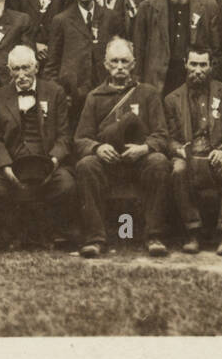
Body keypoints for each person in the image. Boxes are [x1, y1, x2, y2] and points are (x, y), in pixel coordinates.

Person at [73, 38, 171, 258]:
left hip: (139, 163)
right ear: (105, 65)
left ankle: (154, 236)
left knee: (160, 162)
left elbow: (162, 136)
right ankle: (95, 239)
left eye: (124, 61)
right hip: (108, 165)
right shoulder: (94, 97)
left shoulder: (148, 94)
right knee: (86, 165)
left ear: (133, 64)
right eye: (114, 61)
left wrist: (145, 148)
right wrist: (97, 148)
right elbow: (81, 139)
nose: (119, 66)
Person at [0, 45, 76, 248]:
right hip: (12, 162)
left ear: (36, 67)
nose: (21, 75)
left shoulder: (54, 92)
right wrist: (6, 168)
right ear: (9, 71)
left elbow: (64, 136)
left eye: (26, 68)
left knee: (66, 185)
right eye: (16, 69)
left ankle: (51, 233)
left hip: (47, 161)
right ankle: (11, 234)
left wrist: (54, 161)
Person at [164, 47, 222, 255]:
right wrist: (177, 149)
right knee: (178, 169)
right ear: (185, 64)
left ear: (211, 66)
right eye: (193, 64)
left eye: (203, 65)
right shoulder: (172, 99)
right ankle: (193, 232)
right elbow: (167, 137)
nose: (198, 70)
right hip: (189, 156)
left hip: (216, 154)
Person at [132, 0, 220, 96]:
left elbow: (216, 51)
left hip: (194, 81)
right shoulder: (148, 7)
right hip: (158, 82)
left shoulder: (209, 7)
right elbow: (138, 50)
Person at [46, 0, 125, 123]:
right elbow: (52, 64)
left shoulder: (111, 17)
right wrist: (59, 94)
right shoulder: (61, 20)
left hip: (106, 89)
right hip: (74, 95)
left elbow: (123, 53)